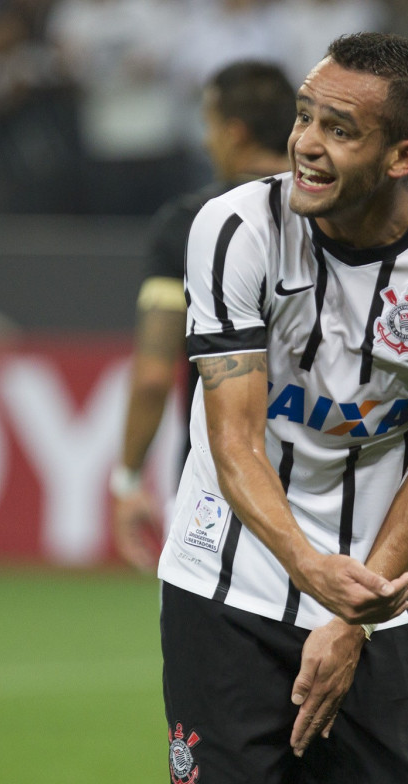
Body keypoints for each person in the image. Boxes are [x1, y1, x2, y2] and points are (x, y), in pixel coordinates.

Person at [157, 32, 408, 784]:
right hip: (227, 589)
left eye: (339, 129)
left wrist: (352, 614)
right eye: (303, 118)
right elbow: (235, 440)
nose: (306, 146)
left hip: (379, 594)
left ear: (402, 156)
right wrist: (309, 570)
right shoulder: (236, 230)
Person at [110, 60, 294, 573]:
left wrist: (127, 480)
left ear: (233, 132)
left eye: (210, 126)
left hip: (217, 481)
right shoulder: (333, 216)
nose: (207, 141)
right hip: (324, 477)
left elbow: (151, 375)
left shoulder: (188, 223)